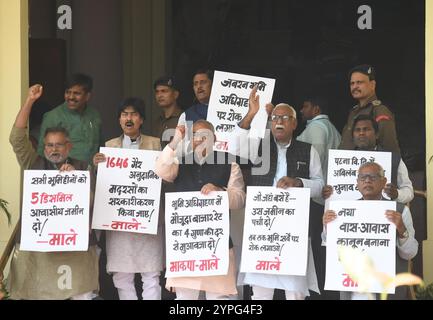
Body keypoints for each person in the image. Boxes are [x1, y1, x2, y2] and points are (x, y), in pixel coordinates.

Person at [8, 84, 99, 300]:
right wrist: (30, 100)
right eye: (49, 145)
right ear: (43, 146)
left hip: (75, 246)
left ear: (68, 147)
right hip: (39, 246)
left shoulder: (82, 165)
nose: (54, 149)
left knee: (82, 294)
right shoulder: (33, 163)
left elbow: (93, 201)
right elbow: (16, 138)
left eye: (59, 145)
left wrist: (75, 179)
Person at [236, 87, 324, 300]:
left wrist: (298, 182)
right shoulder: (259, 145)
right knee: (260, 293)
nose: (279, 122)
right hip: (263, 231)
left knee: (295, 292)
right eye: (275, 117)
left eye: (285, 118)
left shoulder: (307, 149)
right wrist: (251, 114)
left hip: (294, 231)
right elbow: (236, 146)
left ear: (294, 123)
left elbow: (320, 185)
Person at [155, 120, 246, 300]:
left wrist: (220, 192)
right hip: (185, 247)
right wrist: (174, 143)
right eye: (196, 135)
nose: (201, 139)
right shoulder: (179, 162)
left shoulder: (230, 163)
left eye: (206, 135)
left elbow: (239, 199)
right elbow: (161, 170)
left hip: (216, 246)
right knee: (184, 299)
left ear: (215, 138)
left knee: (220, 299)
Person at [93, 98, 163, 300]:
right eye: (124, 114)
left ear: (141, 119)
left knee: (151, 273)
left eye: (133, 114)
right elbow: (103, 185)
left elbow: (166, 176)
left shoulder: (155, 144)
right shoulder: (108, 147)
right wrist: (97, 166)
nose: (128, 118)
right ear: (119, 120)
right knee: (122, 275)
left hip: (146, 217)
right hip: (119, 220)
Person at [322, 162, 418, 300]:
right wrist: (327, 227)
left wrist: (402, 230)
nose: (367, 181)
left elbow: (409, 254)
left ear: (384, 181)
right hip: (354, 288)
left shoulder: (400, 211)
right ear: (357, 183)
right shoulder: (343, 213)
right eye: (363, 177)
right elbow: (332, 248)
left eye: (373, 177)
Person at [296, 96, 341, 299]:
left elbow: (314, 158)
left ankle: (318, 292)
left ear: (316, 108)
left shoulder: (315, 128)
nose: (301, 110)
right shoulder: (332, 128)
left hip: (317, 197)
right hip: (329, 195)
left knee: (316, 247)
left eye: (305, 106)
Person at [322, 114, 413, 204]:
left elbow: (409, 192)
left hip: (385, 216)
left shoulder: (393, 159)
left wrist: (397, 194)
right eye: (358, 130)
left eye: (366, 129)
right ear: (353, 136)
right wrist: (327, 193)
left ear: (377, 134)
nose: (361, 133)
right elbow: (330, 192)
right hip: (351, 216)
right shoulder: (341, 161)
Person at [37, 73, 102, 163]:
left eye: (77, 93)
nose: (71, 97)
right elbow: (42, 152)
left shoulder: (94, 115)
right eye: (68, 92)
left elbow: (100, 147)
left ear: (87, 96)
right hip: (64, 174)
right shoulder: (53, 117)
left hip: (92, 173)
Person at [339, 64, 400, 154]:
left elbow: (389, 148)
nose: (355, 86)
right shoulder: (353, 112)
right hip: (348, 165)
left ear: (372, 85)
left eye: (359, 82)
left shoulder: (380, 111)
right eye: (352, 83)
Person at [297, 96, 341, 182]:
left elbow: (317, 157)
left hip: (320, 187)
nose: (301, 110)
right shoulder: (328, 126)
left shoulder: (316, 126)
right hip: (329, 183)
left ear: (316, 110)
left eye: (305, 106)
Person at [152, 75, 183, 148]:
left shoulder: (184, 118)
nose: (159, 95)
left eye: (164, 91)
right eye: (157, 92)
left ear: (175, 94)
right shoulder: (158, 121)